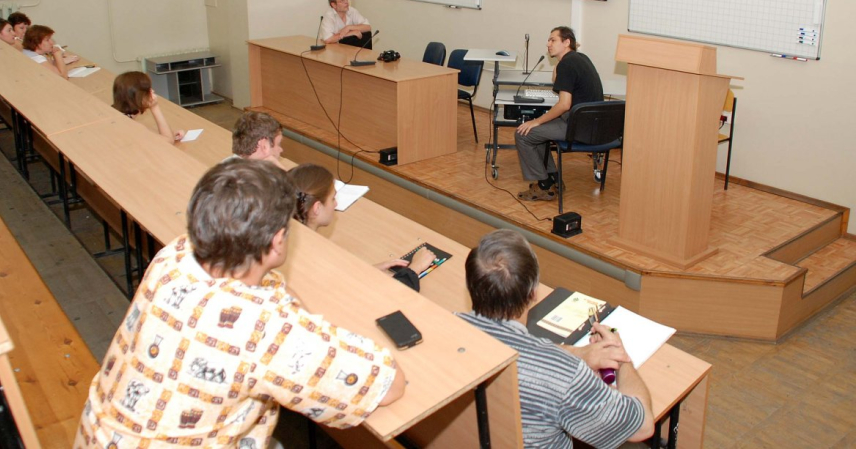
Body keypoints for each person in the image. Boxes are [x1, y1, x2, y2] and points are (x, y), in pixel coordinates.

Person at [74, 160, 405, 448]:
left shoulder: (174, 255)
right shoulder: (262, 330)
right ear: (278, 242)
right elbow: (388, 385)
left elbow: (275, 295)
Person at [458, 229, 654, 448]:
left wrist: (577, 353)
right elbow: (642, 427)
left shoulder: (444, 329)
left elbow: (520, 348)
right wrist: (621, 356)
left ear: (470, 285)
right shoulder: (563, 376)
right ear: (533, 293)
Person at [288, 163, 434, 291]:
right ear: (317, 208)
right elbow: (385, 296)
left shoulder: (291, 239)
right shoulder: (318, 257)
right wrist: (415, 268)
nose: (336, 204)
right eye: (332, 198)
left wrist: (369, 271)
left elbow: (342, 280)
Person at [514, 26, 603, 201]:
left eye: (553, 40)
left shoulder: (567, 64)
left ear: (566, 42)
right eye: (548, 40)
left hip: (578, 127)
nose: (548, 44)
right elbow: (562, 84)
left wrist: (537, 121)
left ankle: (544, 185)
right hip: (593, 124)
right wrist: (558, 68)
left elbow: (564, 104)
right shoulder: (580, 58)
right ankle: (554, 180)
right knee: (537, 134)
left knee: (523, 134)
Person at [112, 71, 183, 144]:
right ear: (139, 97)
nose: (153, 91)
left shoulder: (118, 114)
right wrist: (154, 107)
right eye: (148, 90)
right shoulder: (133, 127)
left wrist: (169, 134)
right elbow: (169, 141)